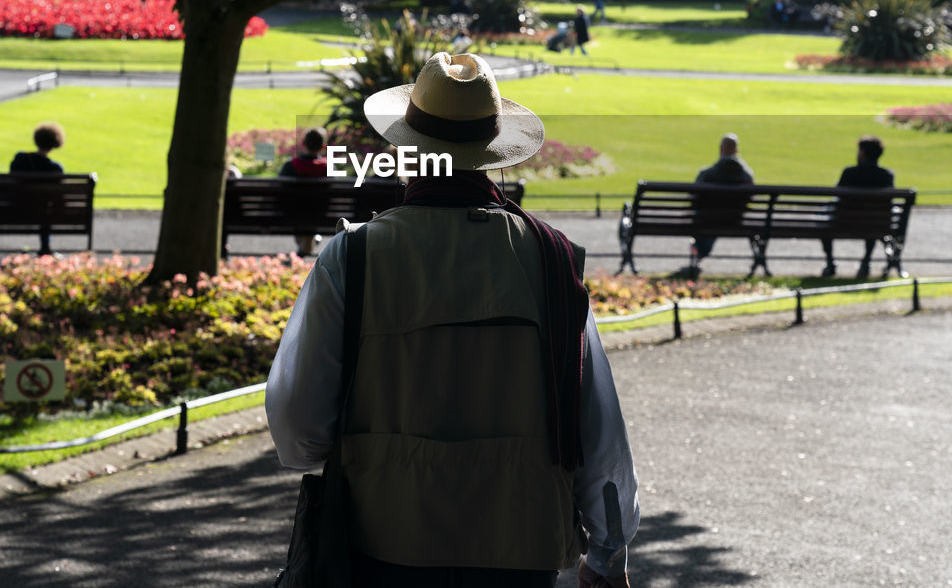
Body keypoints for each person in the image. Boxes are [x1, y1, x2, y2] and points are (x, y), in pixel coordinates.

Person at [267, 52, 639, 588]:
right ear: (494, 154)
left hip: (382, 540)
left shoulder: (354, 256)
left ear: (408, 150)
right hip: (520, 543)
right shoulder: (551, 257)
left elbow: (298, 430)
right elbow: (596, 426)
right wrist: (607, 549)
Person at [821, 135, 895, 279]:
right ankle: (866, 261)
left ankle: (830, 263)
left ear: (862, 153)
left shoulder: (849, 173)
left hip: (845, 222)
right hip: (876, 224)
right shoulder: (886, 175)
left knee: (824, 220)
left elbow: (837, 197)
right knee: (872, 219)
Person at [691, 133, 755, 269]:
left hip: (709, 220)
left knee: (706, 217)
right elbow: (750, 198)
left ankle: (700, 252)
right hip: (735, 220)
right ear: (736, 151)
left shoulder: (707, 174)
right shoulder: (746, 175)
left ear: (721, 150)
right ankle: (701, 252)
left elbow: (694, 198)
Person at [9, 122, 66, 256]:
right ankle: (45, 248)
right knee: (46, 207)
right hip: (43, 213)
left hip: (16, 209)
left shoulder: (20, 159)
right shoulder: (55, 169)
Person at [278, 126, 328, 256]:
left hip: (292, 213)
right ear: (323, 146)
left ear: (303, 144)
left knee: (299, 209)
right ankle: (307, 244)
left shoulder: (290, 166)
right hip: (320, 215)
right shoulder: (328, 167)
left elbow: (279, 192)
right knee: (312, 210)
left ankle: (304, 245)